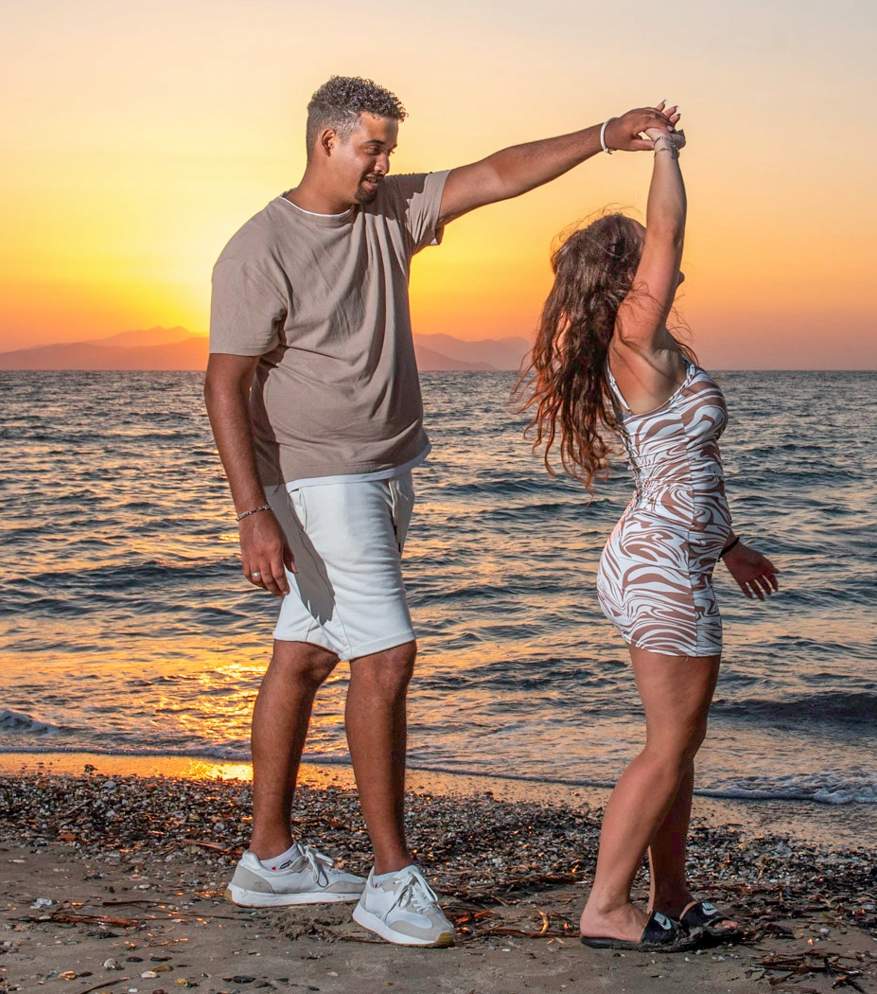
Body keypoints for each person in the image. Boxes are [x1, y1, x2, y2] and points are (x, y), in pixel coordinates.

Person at [204, 75, 675, 947]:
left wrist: (607, 133)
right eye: (371, 147)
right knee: (386, 658)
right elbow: (224, 384)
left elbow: (499, 174)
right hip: (315, 482)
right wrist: (250, 513)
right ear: (326, 142)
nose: (384, 162)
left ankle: (268, 861)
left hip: (386, 472)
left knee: (307, 654)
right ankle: (391, 880)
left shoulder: (391, 211)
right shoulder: (259, 248)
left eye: (389, 147)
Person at [519, 108, 780, 951]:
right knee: (669, 743)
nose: (662, 261)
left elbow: (688, 466)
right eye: (646, 256)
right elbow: (670, 224)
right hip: (659, 562)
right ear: (628, 275)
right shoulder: (634, 335)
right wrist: (663, 149)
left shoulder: (647, 347)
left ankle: (671, 896)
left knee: (680, 747)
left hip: (670, 553)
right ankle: (606, 908)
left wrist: (728, 544)